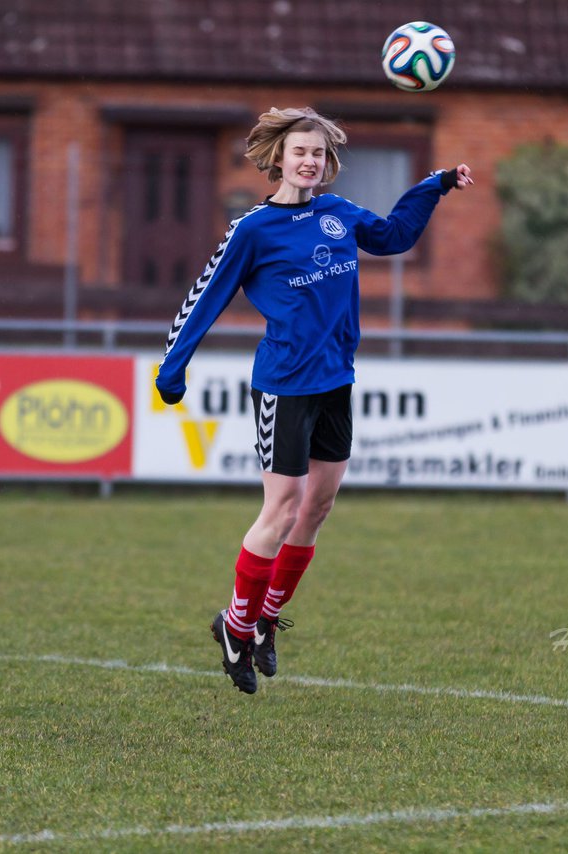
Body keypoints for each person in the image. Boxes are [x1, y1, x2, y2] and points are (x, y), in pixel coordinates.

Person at [154, 107, 473, 694]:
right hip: (284, 383)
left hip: (335, 380)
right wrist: (173, 369)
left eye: (320, 155)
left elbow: (395, 236)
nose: (310, 162)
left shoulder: (338, 213)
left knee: (317, 508)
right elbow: (204, 297)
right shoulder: (252, 229)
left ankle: (267, 618)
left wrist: (433, 185)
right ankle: (236, 626)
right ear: (279, 158)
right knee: (281, 509)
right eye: (300, 152)